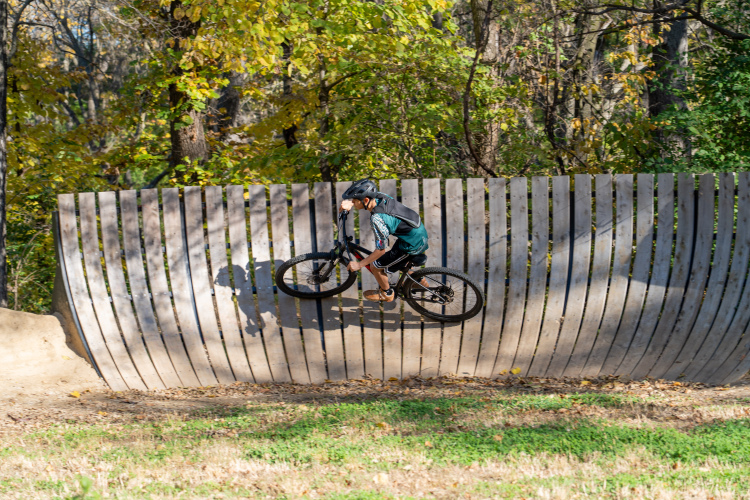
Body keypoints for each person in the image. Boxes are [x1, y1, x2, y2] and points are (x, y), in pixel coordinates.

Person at [340, 179, 429, 302]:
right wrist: (349, 203)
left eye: (355, 201)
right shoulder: (381, 197)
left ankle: (386, 294)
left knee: (375, 266)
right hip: (415, 234)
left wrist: (359, 264)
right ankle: (419, 281)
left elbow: (381, 250)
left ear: (366, 200)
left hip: (412, 244)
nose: (354, 203)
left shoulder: (377, 218)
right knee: (396, 260)